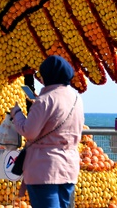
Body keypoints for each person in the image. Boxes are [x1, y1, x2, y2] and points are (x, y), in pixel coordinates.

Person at [10, 55, 85, 208]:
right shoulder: (76, 98)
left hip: (44, 168)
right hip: (69, 166)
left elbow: (29, 131)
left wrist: (16, 114)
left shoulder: (45, 100)